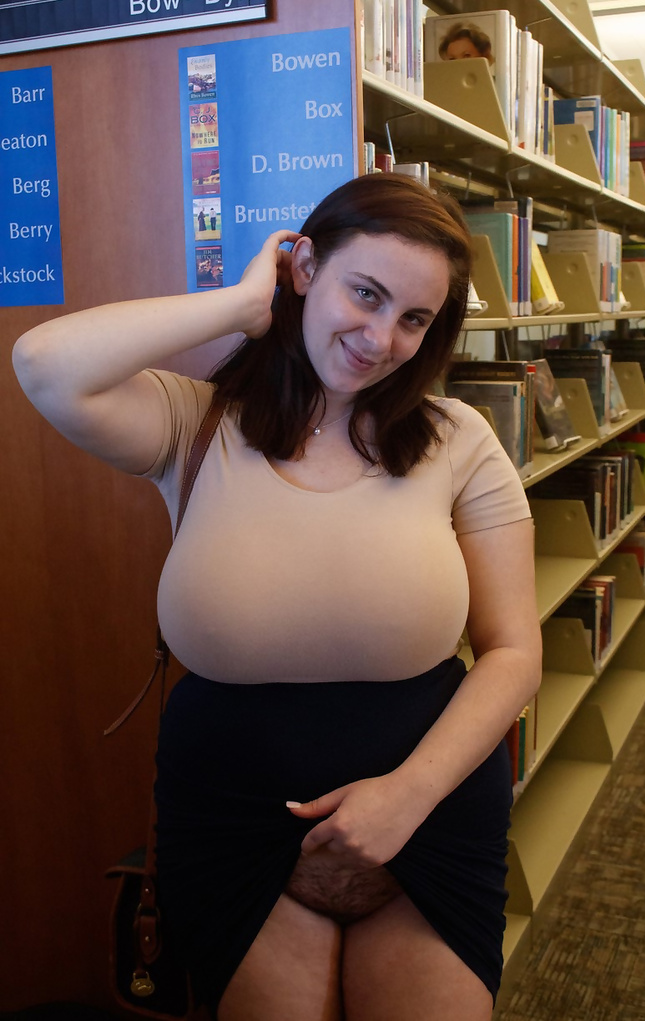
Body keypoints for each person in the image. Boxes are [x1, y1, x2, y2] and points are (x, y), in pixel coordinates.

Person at [12, 173, 541, 1021]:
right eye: (365, 293)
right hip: (230, 814)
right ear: (304, 268)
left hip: (429, 809)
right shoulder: (192, 424)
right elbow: (43, 364)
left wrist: (407, 795)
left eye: (415, 319)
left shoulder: (459, 440)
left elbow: (513, 652)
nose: (381, 339)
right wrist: (239, 304)